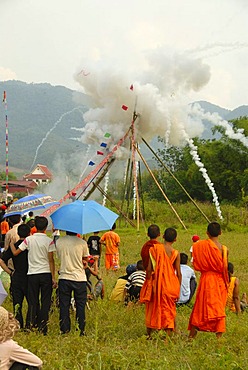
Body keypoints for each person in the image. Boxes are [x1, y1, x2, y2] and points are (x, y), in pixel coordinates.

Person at [10, 216, 56, 335]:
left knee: (33, 301)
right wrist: (53, 277)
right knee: (45, 301)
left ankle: (30, 325)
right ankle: (43, 327)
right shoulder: (49, 241)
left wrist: (11, 244)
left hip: (32, 274)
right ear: (46, 227)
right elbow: (51, 260)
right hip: (45, 273)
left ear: (35, 226)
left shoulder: (28, 240)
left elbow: (15, 253)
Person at [188, 222, 229, 339]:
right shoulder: (224, 249)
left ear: (207, 233)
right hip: (219, 281)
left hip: (206, 280)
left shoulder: (200, 245)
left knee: (200, 307)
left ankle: (191, 336)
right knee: (218, 309)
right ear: (220, 233)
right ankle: (219, 338)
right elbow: (225, 269)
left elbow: (194, 256)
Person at [140, 228, 181, 338]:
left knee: (153, 307)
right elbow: (179, 273)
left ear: (162, 236)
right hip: (171, 284)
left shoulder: (155, 249)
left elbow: (149, 269)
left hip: (156, 284)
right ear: (175, 239)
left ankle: (150, 333)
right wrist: (178, 287)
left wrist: (148, 282)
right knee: (169, 309)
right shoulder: (176, 253)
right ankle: (167, 336)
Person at [56, 230, 89, 336]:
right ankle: (81, 329)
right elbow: (85, 260)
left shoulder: (59, 242)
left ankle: (64, 330)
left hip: (64, 277)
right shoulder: (82, 243)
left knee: (64, 305)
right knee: (80, 305)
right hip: (79, 278)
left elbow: (59, 257)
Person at [0, 224, 31, 328]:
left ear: (18, 233)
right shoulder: (30, 246)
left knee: (17, 303)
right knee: (31, 302)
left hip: (17, 276)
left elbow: (1, 260)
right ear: (29, 233)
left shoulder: (15, 246)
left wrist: (10, 272)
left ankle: (18, 324)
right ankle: (29, 323)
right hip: (29, 276)